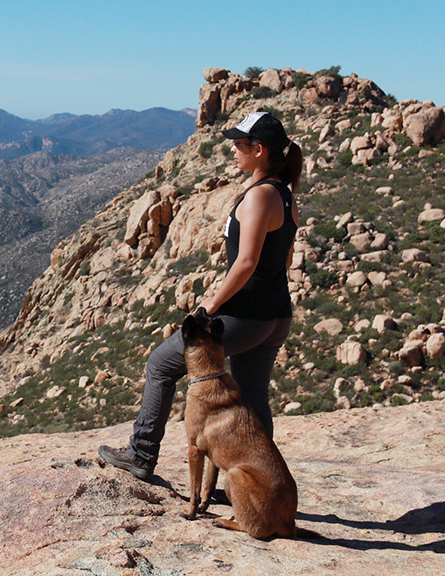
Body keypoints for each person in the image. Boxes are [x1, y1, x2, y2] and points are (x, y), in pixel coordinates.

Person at [99, 111, 303, 481]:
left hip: (245, 316)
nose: (232, 151)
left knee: (161, 364)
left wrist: (211, 305)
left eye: (239, 145)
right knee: (253, 401)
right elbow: (285, 258)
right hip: (276, 315)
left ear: (259, 150)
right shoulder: (285, 195)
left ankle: (141, 454)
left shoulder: (258, 197)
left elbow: (244, 263)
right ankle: (263, 482)